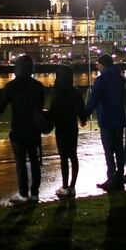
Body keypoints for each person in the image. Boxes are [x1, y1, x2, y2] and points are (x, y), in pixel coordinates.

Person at [0, 55, 45, 204]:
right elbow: (39, 107)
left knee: (20, 162)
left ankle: (23, 193)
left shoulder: (12, 86)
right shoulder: (38, 86)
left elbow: (0, 107)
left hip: (19, 128)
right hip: (34, 129)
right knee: (35, 161)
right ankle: (34, 193)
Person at [84, 54, 126, 191]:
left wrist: (84, 115)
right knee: (119, 149)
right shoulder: (121, 80)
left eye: (98, 64)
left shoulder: (101, 80)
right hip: (120, 119)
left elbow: (94, 100)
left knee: (109, 151)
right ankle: (120, 177)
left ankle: (112, 178)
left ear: (103, 65)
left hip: (107, 119)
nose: (97, 66)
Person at [48, 64, 87, 198]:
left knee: (63, 157)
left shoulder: (57, 93)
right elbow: (81, 111)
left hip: (61, 127)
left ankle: (65, 186)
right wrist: (82, 119)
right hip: (72, 127)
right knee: (73, 156)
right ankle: (72, 187)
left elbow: (52, 111)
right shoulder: (76, 92)